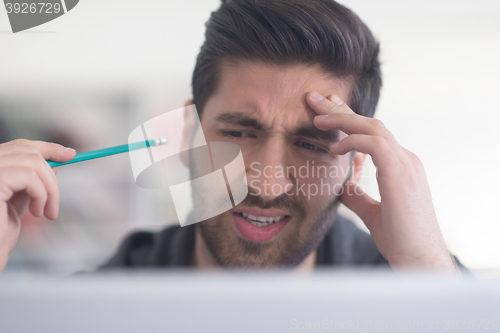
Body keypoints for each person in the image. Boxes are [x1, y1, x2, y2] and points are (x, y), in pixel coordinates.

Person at [0, 0, 467, 274]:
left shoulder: (417, 286)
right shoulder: (97, 306)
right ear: (185, 134)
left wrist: (428, 270)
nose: (265, 186)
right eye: (240, 132)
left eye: (310, 143)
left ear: (357, 164)